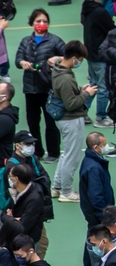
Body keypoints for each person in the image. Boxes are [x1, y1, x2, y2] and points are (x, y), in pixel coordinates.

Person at [15, 8, 65, 162]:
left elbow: (68, 58)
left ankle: (53, 152)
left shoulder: (55, 41)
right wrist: (23, 62)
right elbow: (18, 59)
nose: (41, 24)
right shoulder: (25, 41)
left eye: (44, 21)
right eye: (38, 21)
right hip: (30, 89)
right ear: (32, 23)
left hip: (48, 88)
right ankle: (37, 151)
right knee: (33, 122)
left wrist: (57, 58)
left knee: (51, 122)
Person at [51, 40, 98, 203]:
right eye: (79, 60)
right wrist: (87, 94)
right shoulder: (65, 78)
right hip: (70, 120)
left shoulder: (58, 69)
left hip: (64, 119)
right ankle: (66, 191)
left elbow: (68, 95)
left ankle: (57, 187)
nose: (79, 63)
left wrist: (80, 90)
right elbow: (71, 104)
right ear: (73, 58)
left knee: (66, 155)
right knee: (72, 158)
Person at [80, 0, 115, 129]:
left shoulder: (86, 8)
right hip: (100, 56)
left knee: (94, 85)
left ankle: (82, 111)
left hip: (90, 54)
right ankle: (101, 117)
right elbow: (112, 31)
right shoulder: (101, 12)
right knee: (103, 88)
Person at [79, 132, 114, 234]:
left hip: (94, 212)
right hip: (98, 215)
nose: (107, 146)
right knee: (97, 238)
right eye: (104, 144)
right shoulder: (94, 168)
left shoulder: (91, 161)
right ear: (96, 147)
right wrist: (104, 216)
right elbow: (96, 196)